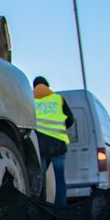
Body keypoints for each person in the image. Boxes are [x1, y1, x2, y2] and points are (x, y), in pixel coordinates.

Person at [32, 76, 74, 206]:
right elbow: (70, 119)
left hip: (40, 145)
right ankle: (61, 207)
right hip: (57, 144)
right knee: (59, 179)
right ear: (47, 86)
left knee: (41, 178)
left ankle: (42, 205)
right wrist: (60, 126)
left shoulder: (30, 100)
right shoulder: (58, 99)